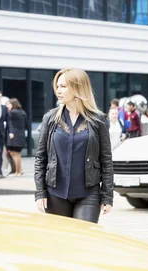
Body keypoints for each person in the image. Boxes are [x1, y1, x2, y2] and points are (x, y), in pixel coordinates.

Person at [34, 68, 114, 223]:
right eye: (57, 86)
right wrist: (40, 192)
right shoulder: (50, 118)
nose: (58, 90)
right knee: (61, 241)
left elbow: (106, 160)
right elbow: (40, 158)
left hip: (88, 193)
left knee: (84, 239)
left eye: (63, 86)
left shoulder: (98, 120)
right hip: (55, 193)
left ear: (78, 87)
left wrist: (107, 195)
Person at [7, 98, 28, 176]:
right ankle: (20, 170)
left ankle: (17, 172)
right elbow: (26, 124)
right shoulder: (23, 112)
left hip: (14, 135)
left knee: (15, 153)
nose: (7, 106)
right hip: (21, 134)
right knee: (16, 153)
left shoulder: (11, 113)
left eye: (9, 104)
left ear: (13, 104)